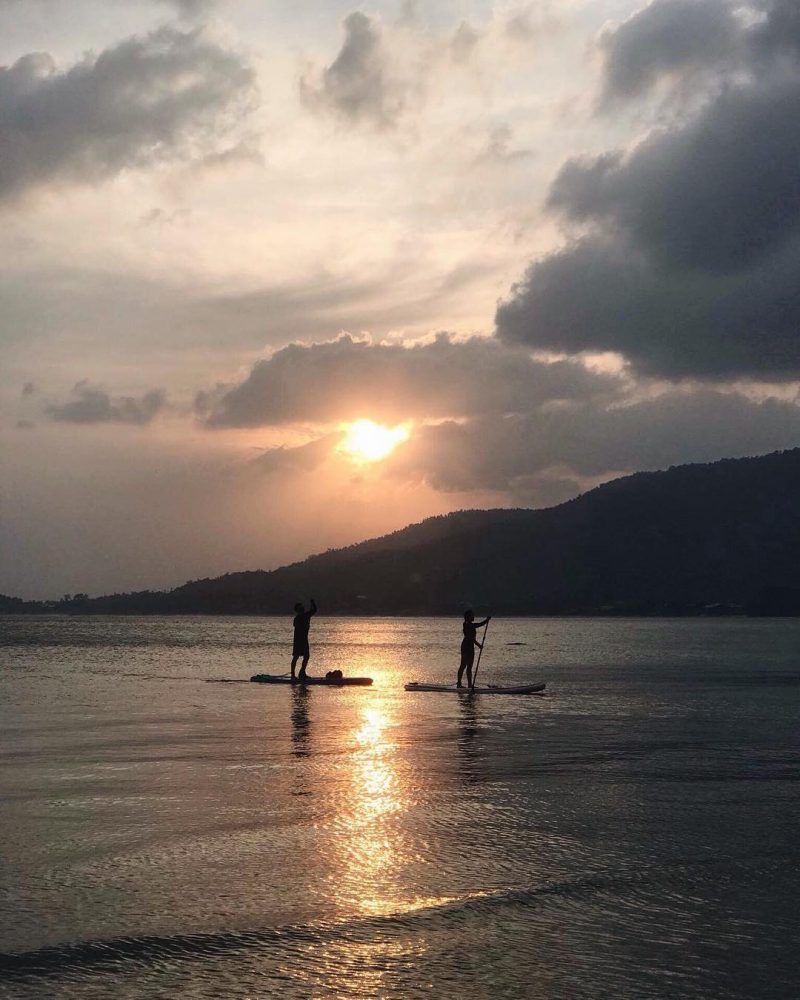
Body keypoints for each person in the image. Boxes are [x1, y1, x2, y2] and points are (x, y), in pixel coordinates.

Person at [457, 609, 491, 688]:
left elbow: (473, 636)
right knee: (463, 665)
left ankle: (470, 685)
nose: (473, 616)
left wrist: (486, 620)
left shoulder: (470, 624)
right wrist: (479, 645)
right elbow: (471, 636)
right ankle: (459, 684)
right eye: (472, 615)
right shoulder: (466, 625)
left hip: (471, 647)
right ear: (468, 617)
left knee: (469, 667)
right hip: (465, 647)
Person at [291, 599, 317, 682]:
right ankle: (293, 675)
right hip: (298, 640)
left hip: (304, 640)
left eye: (302, 607)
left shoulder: (306, 615)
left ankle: (302, 673)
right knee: (296, 657)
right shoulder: (298, 618)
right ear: (298, 610)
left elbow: (315, 610)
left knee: (306, 656)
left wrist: (312, 603)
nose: (302, 608)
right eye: (300, 607)